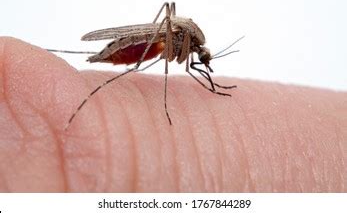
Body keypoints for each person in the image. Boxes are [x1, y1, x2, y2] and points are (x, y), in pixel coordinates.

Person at [0, 37, 345, 192]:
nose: (203, 63)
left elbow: (195, 66)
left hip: (159, 42)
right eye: (205, 60)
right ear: (199, 50)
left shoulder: (193, 51)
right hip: (152, 42)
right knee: (163, 41)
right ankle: (127, 63)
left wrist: (212, 86)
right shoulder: (181, 43)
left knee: (165, 44)